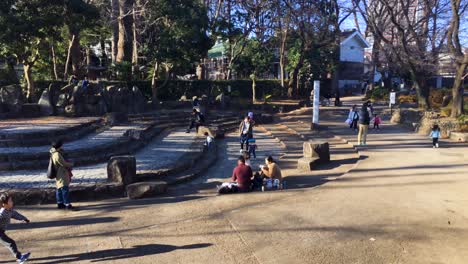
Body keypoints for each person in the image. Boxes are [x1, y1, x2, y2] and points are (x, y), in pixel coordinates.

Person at [0, 193, 30, 263]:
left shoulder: (10, 210)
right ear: (4, 204)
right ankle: (19, 258)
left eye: (11, 200)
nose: (12, 202)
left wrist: (24, 218)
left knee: (10, 243)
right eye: (10, 201)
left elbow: (15, 214)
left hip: (1, 231)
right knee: (10, 243)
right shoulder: (2, 213)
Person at [50, 141, 75, 210]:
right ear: (59, 146)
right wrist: (71, 164)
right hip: (62, 173)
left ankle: (60, 203)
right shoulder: (57, 154)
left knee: (59, 189)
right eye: (61, 146)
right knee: (64, 189)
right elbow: (63, 163)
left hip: (58, 173)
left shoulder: (53, 153)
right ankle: (67, 204)